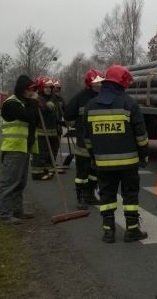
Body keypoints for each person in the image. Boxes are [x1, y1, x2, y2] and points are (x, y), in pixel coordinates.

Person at [84, 64, 149, 243]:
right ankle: (132, 230)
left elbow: (87, 137)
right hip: (128, 163)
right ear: (122, 83)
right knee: (130, 196)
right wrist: (144, 154)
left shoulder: (90, 106)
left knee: (106, 196)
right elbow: (141, 136)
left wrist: (93, 157)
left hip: (102, 164)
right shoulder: (129, 103)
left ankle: (108, 231)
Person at [0, 75, 39, 224]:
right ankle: (4, 214)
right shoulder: (12, 104)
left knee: (20, 182)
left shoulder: (24, 103)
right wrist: (33, 102)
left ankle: (17, 210)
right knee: (9, 182)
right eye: (29, 90)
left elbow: (35, 119)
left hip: (24, 148)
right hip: (13, 148)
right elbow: (27, 116)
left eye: (33, 89)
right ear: (21, 89)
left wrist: (33, 103)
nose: (31, 92)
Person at [63, 68, 104, 210]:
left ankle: (90, 196)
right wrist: (77, 123)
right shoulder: (80, 97)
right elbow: (68, 114)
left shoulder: (104, 97)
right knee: (82, 173)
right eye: (96, 83)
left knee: (95, 172)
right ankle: (80, 198)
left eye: (100, 82)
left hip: (99, 142)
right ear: (89, 83)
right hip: (83, 142)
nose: (99, 85)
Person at [30, 76, 58, 180]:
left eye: (50, 87)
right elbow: (42, 110)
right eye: (46, 87)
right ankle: (37, 173)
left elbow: (48, 108)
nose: (48, 89)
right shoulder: (38, 98)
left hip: (52, 131)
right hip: (41, 132)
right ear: (41, 88)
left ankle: (47, 170)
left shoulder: (53, 98)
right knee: (40, 153)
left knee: (50, 154)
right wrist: (37, 102)